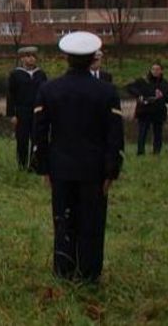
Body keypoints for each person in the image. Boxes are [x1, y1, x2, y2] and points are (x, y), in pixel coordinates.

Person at [32, 31, 124, 284]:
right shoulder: (106, 92)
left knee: (63, 219)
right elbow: (114, 136)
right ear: (94, 57)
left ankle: (64, 268)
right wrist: (111, 170)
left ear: (66, 58)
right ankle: (89, 272)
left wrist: (44, 168)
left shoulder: (49, 89)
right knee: (92, 222)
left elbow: (40, 133)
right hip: (94, 169)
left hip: (61, 167)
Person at [7, 46, 48, 170]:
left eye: (33, 57)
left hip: (37, 111)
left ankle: (34, 165)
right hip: (21, 111)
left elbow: (46, 92)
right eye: (28, 56)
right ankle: (22, 164)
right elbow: (10, 94)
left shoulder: (40, 74)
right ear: (22, 58)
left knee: (36, 138)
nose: (31, 59)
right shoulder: (15, 74)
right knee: (22, 139)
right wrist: (12, 114)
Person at [126, 63, 168, 156]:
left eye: (157, 69)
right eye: (153, 69)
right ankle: (140, 152)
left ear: (161, 71)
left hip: (158, 112)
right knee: (142, 132)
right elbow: (130, 87)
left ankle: (156, 152)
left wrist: (162, 96)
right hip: (144, 111)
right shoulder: (143, 81)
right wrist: (139, 95)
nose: (155, 71)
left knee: (158, 133)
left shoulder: (164, 83)